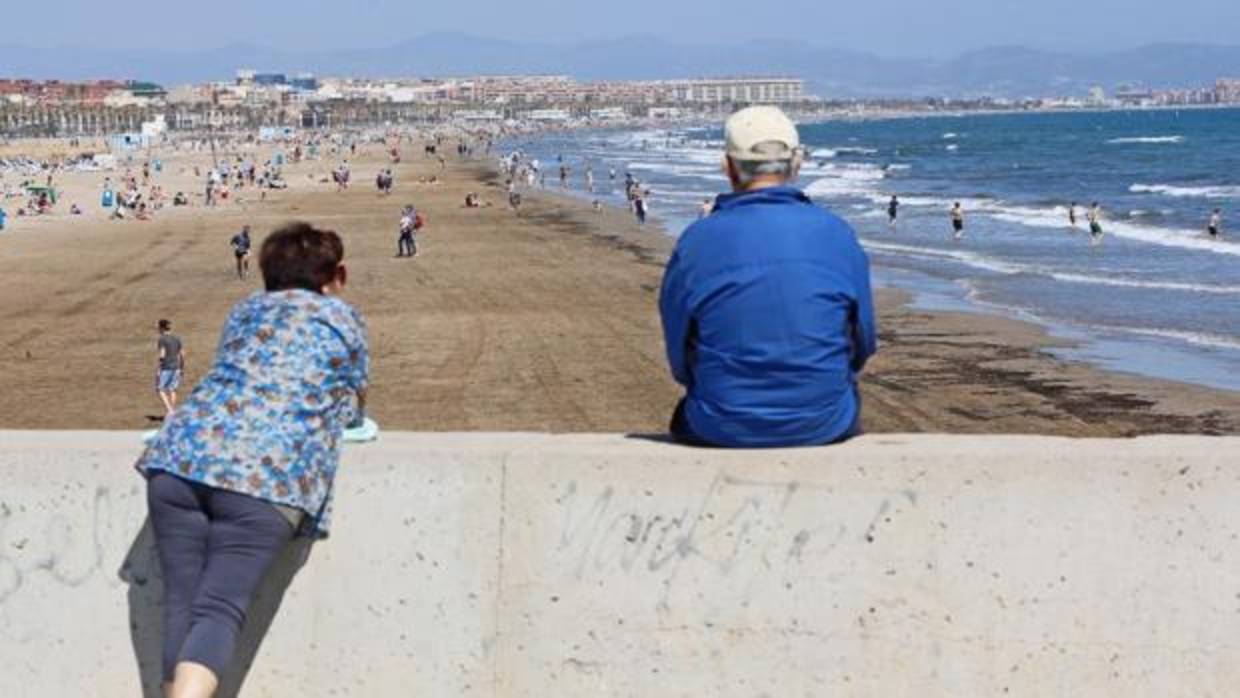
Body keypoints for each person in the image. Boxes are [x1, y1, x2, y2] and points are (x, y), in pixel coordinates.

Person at [135, 223, 368, 698]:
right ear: (337, 276)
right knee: (219, 608)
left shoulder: (245, 310)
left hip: (178, 456)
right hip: (265, 473)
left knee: (182, 602)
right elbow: (353, 395)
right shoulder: (341, 318)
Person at [659, 106, 876, 448]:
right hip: (824, 421)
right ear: (798, 163)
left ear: (727, 165)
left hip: (719, 422)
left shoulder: (697, 240)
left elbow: (678, 356)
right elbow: (863, 343)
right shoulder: (836, 233)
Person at [155, 319, 185, 416]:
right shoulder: (177, 338)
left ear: (162, 328)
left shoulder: (162, 339)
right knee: (172, 389)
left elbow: (162, 355)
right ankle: (173, 411)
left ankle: (170, 410)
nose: (157, 329)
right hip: (176, 367)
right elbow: (182, 354)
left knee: (160, 389)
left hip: (166, 367)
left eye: (158, 327)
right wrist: (181, 368)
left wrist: (159, 368)